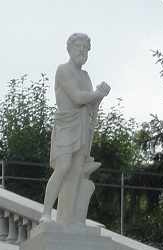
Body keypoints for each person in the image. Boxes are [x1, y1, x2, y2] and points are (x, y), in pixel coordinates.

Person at [41, 33, 111, 225]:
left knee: (75, 174)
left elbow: (92, 106)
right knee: (62, 168)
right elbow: (78, 97)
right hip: (66, 124)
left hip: (82, 126)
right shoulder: (63, 70)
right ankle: (46, 213)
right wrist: (97, 94)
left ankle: (68, 218)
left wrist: (99, 97)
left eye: (85, 48)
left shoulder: (85, 76)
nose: (82, 50)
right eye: (78, 46)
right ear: (69, 48)